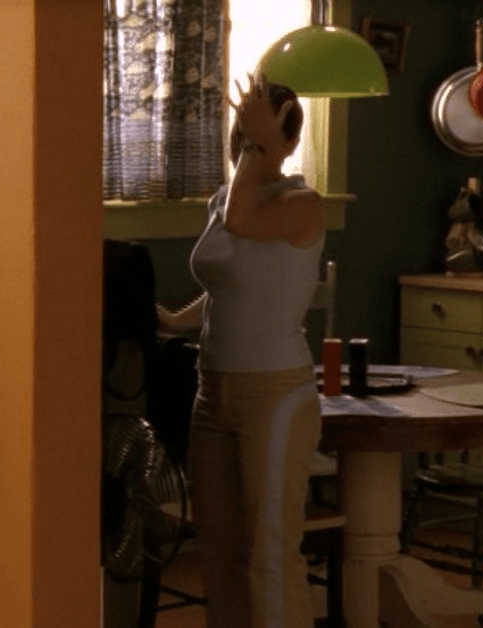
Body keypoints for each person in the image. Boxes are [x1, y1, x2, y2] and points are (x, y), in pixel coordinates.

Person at [157, 74, 325, 628]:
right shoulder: (223, 202)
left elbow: (244, 222)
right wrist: (172, 320)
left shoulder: (302, 204)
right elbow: (229, 287)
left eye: (252, 130)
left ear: (285, 139)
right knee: (220, 549)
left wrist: (259, 145)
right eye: (238, 128)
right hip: (212, 392)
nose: (240, 139)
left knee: (270, 553)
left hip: (275, 395)